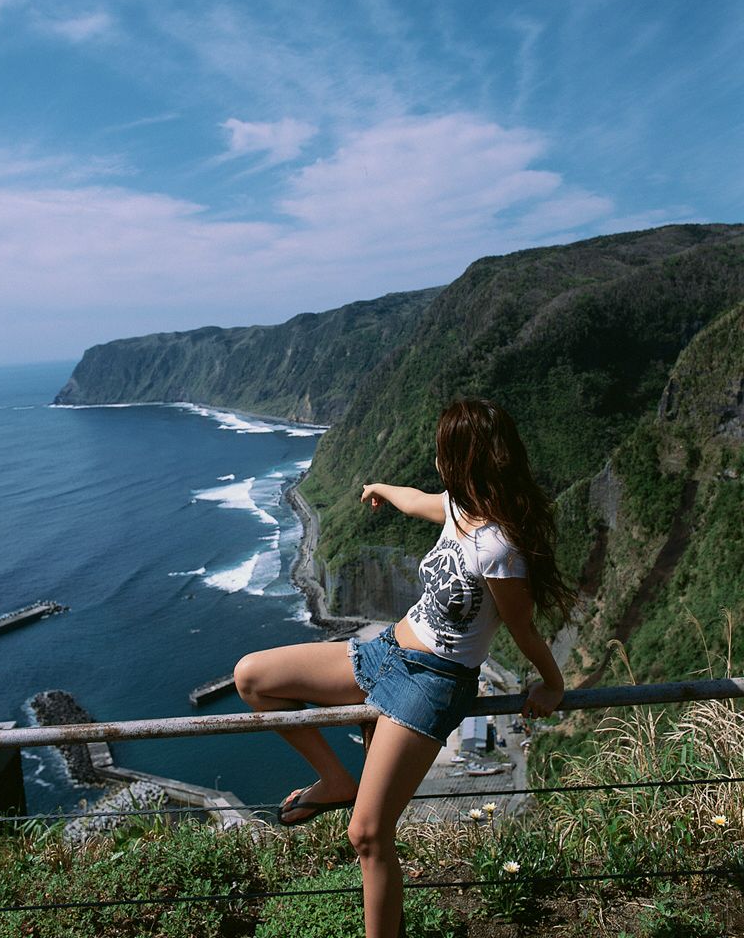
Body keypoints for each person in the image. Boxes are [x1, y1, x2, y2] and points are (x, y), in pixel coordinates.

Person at [233, 397, 578, 938]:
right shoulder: (462, 507)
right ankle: (335, 778)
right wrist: (379, 488)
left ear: (463, 459)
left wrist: (554, 685)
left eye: (444, 452)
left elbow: (522, 627)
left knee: (368, 835)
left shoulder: (498, 548)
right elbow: (418, 501)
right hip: (384, 652)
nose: (437, 462)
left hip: (433, 684)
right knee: (252, 677)